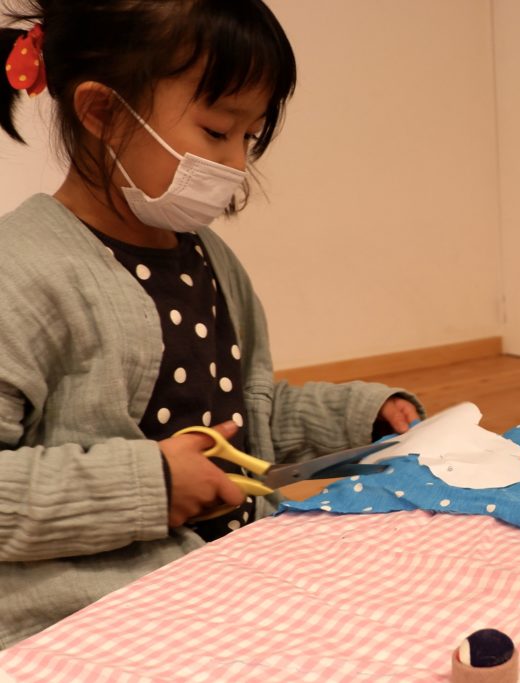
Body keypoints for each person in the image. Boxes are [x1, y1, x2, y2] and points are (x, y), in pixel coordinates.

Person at [0, 0, 421, 648]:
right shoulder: (22, 272)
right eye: (218, 130)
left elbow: (243, 416)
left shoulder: (211, 259)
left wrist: (361, 416)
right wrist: (155, 484)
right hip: (89, 625)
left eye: (249, 137)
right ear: (102, 112)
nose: (236, 165)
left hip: (228, 583)